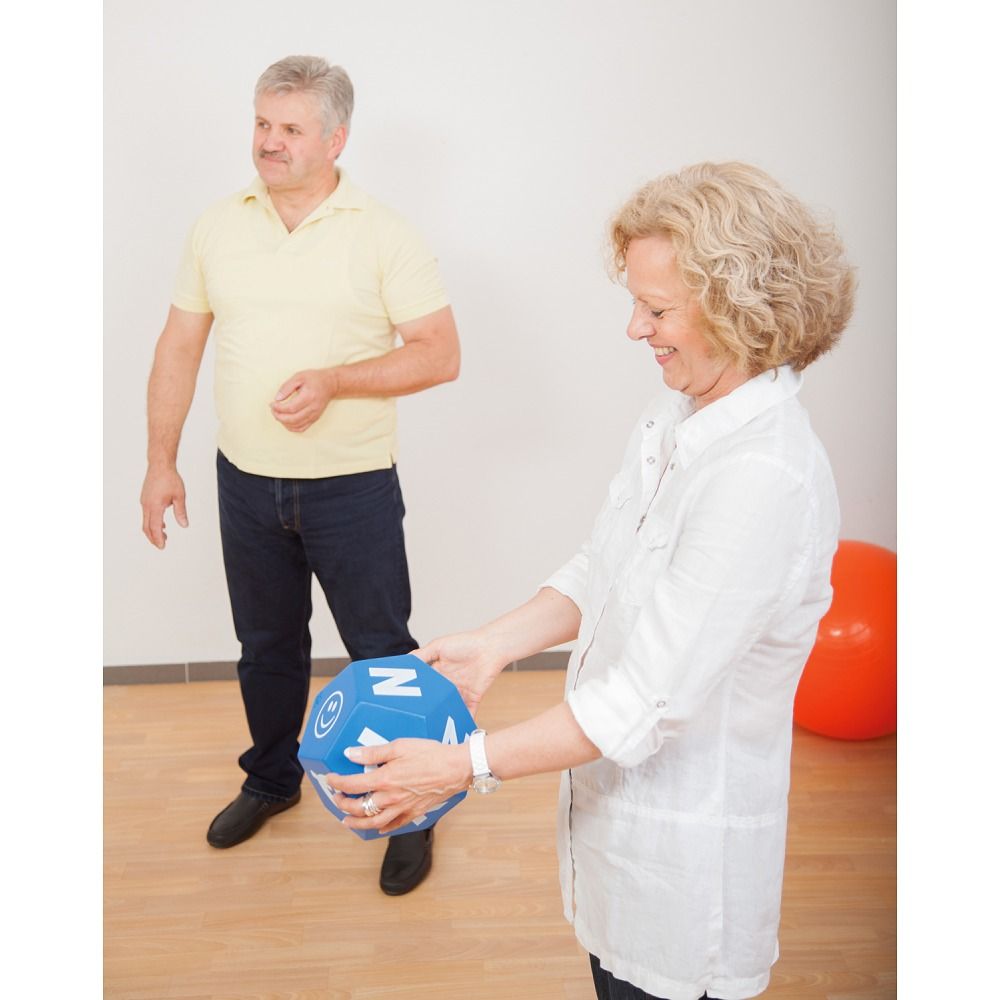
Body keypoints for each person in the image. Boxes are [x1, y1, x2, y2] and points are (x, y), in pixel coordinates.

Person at [327, 162, 856, 997]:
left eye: (657, 308)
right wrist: (494, 645)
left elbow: (643, 700)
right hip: (615, 829)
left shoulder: (763, 478)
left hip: (687, 866)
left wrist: (462, 764)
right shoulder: (676, 416)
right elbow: (603, 565)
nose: (634, 329)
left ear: (737, 304)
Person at [139, 55, 460, 896]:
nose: (268, 143)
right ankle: (272, 780)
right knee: (267, 648)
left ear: (335, 138)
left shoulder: (383, 232)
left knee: (383, 656)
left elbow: (440, 354)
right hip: (243, 482)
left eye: (289, 129)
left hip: (350, 486)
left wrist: (335, 379)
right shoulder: (218, 223)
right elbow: (180, 345)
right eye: (261, 124)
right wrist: (160, 462)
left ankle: (408, 808)